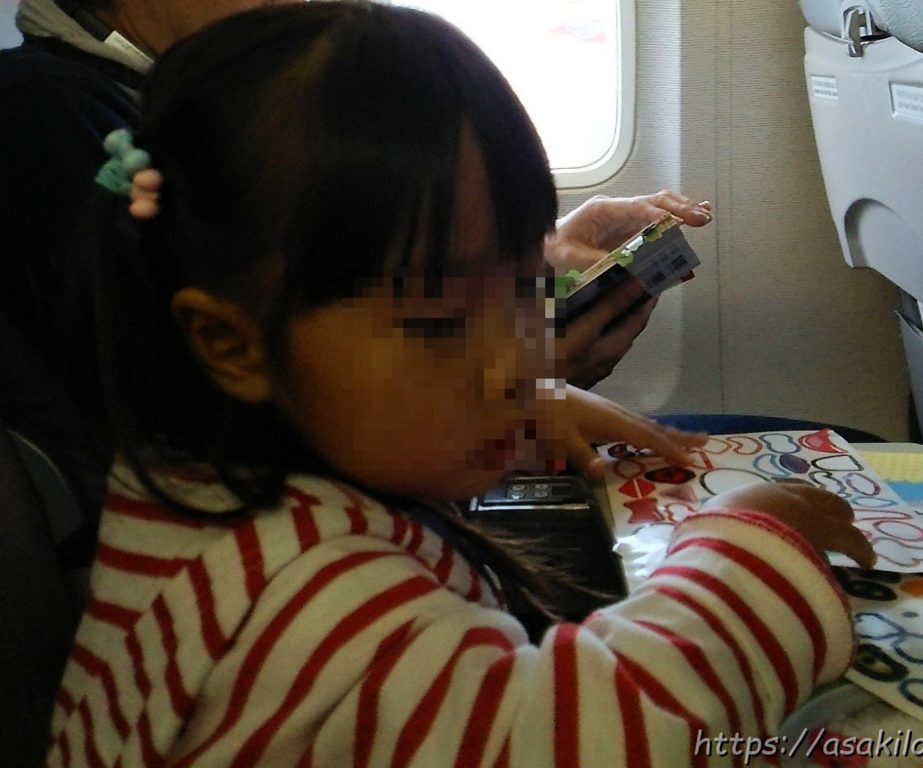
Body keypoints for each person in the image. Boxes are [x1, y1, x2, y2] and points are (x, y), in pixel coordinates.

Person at [47, 4, 874, 765]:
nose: (520, 357)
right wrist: (749, 552)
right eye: (443, 323)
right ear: (233, 345)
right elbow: (591, 743)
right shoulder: (297, 607)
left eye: (524, 289)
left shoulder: (196, 482)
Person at [1, 0, 712, 526]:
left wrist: (538, 265)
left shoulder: (206, 105)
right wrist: (515, 376)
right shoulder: (47, 122)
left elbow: (345, 288)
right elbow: (199, 421)